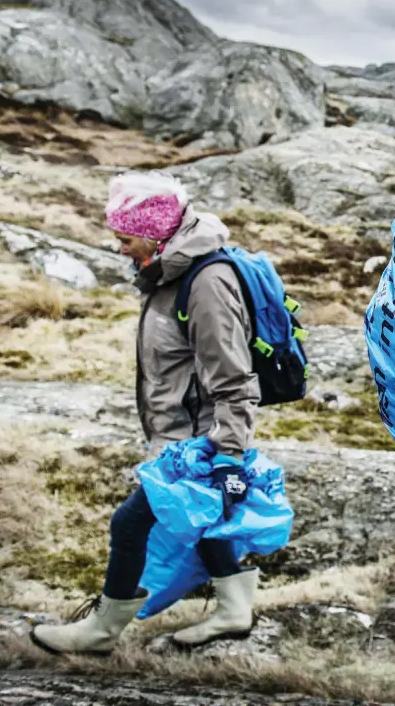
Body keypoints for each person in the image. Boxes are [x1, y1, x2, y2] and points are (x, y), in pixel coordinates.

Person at [31, 170, 261, 655]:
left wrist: (228, 455)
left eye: (124, 237)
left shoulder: (205, 283)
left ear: (156, 232)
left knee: (129, 524)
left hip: (198, 443)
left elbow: (234, 378)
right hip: (181, 435)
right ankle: (235, 610)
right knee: (197, 521)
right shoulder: (169, 272)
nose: (118, 248)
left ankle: (100, 631)